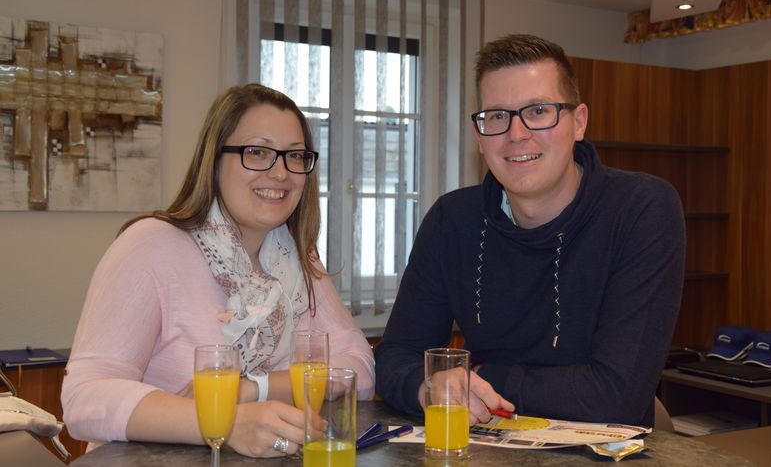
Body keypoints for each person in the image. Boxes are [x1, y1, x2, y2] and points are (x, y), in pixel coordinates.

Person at [374, 34, 684, 427]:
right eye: (498, 116)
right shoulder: (452, 220)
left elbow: (616, 396)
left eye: (538, 111)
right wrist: (428, 388)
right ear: (479, 136)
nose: (516, 134)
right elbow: (397, 354)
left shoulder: (641, 209)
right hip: (489, 445)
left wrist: (483, 377)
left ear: (579, 122)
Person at [62, 84, 375, 458]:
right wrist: (224, 421)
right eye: (257, 152)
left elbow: (358, 371)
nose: (280, 173)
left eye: (294, 156)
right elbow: (85, 400)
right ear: (214, 160)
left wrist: (252, 388)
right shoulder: (149, 245)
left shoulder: (297, 259)